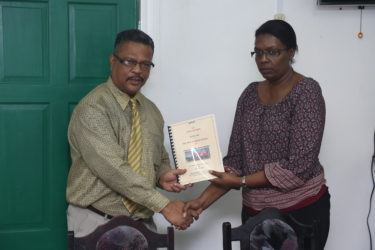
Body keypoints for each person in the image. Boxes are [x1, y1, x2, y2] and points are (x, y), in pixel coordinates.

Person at [184, 19, 330, 249]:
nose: (263, 59)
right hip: (253, 214)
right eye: (258, 52)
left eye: (272, 52)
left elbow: (298, 167)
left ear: (291, 52)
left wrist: (241, 181)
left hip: (300, 212)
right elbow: (236, 162)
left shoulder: (307, 92)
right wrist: (201, 202)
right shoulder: (250, 95)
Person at [66, 29, 193, 238]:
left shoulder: (151, 111)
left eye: (145, 64)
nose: (138, 70)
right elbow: (114, 170)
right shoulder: (93, 109)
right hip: (96, 222)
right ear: (112, 60)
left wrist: (162, 175)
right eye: (129, 62)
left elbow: (158, 155)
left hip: (143, 223)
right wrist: (165, 206)